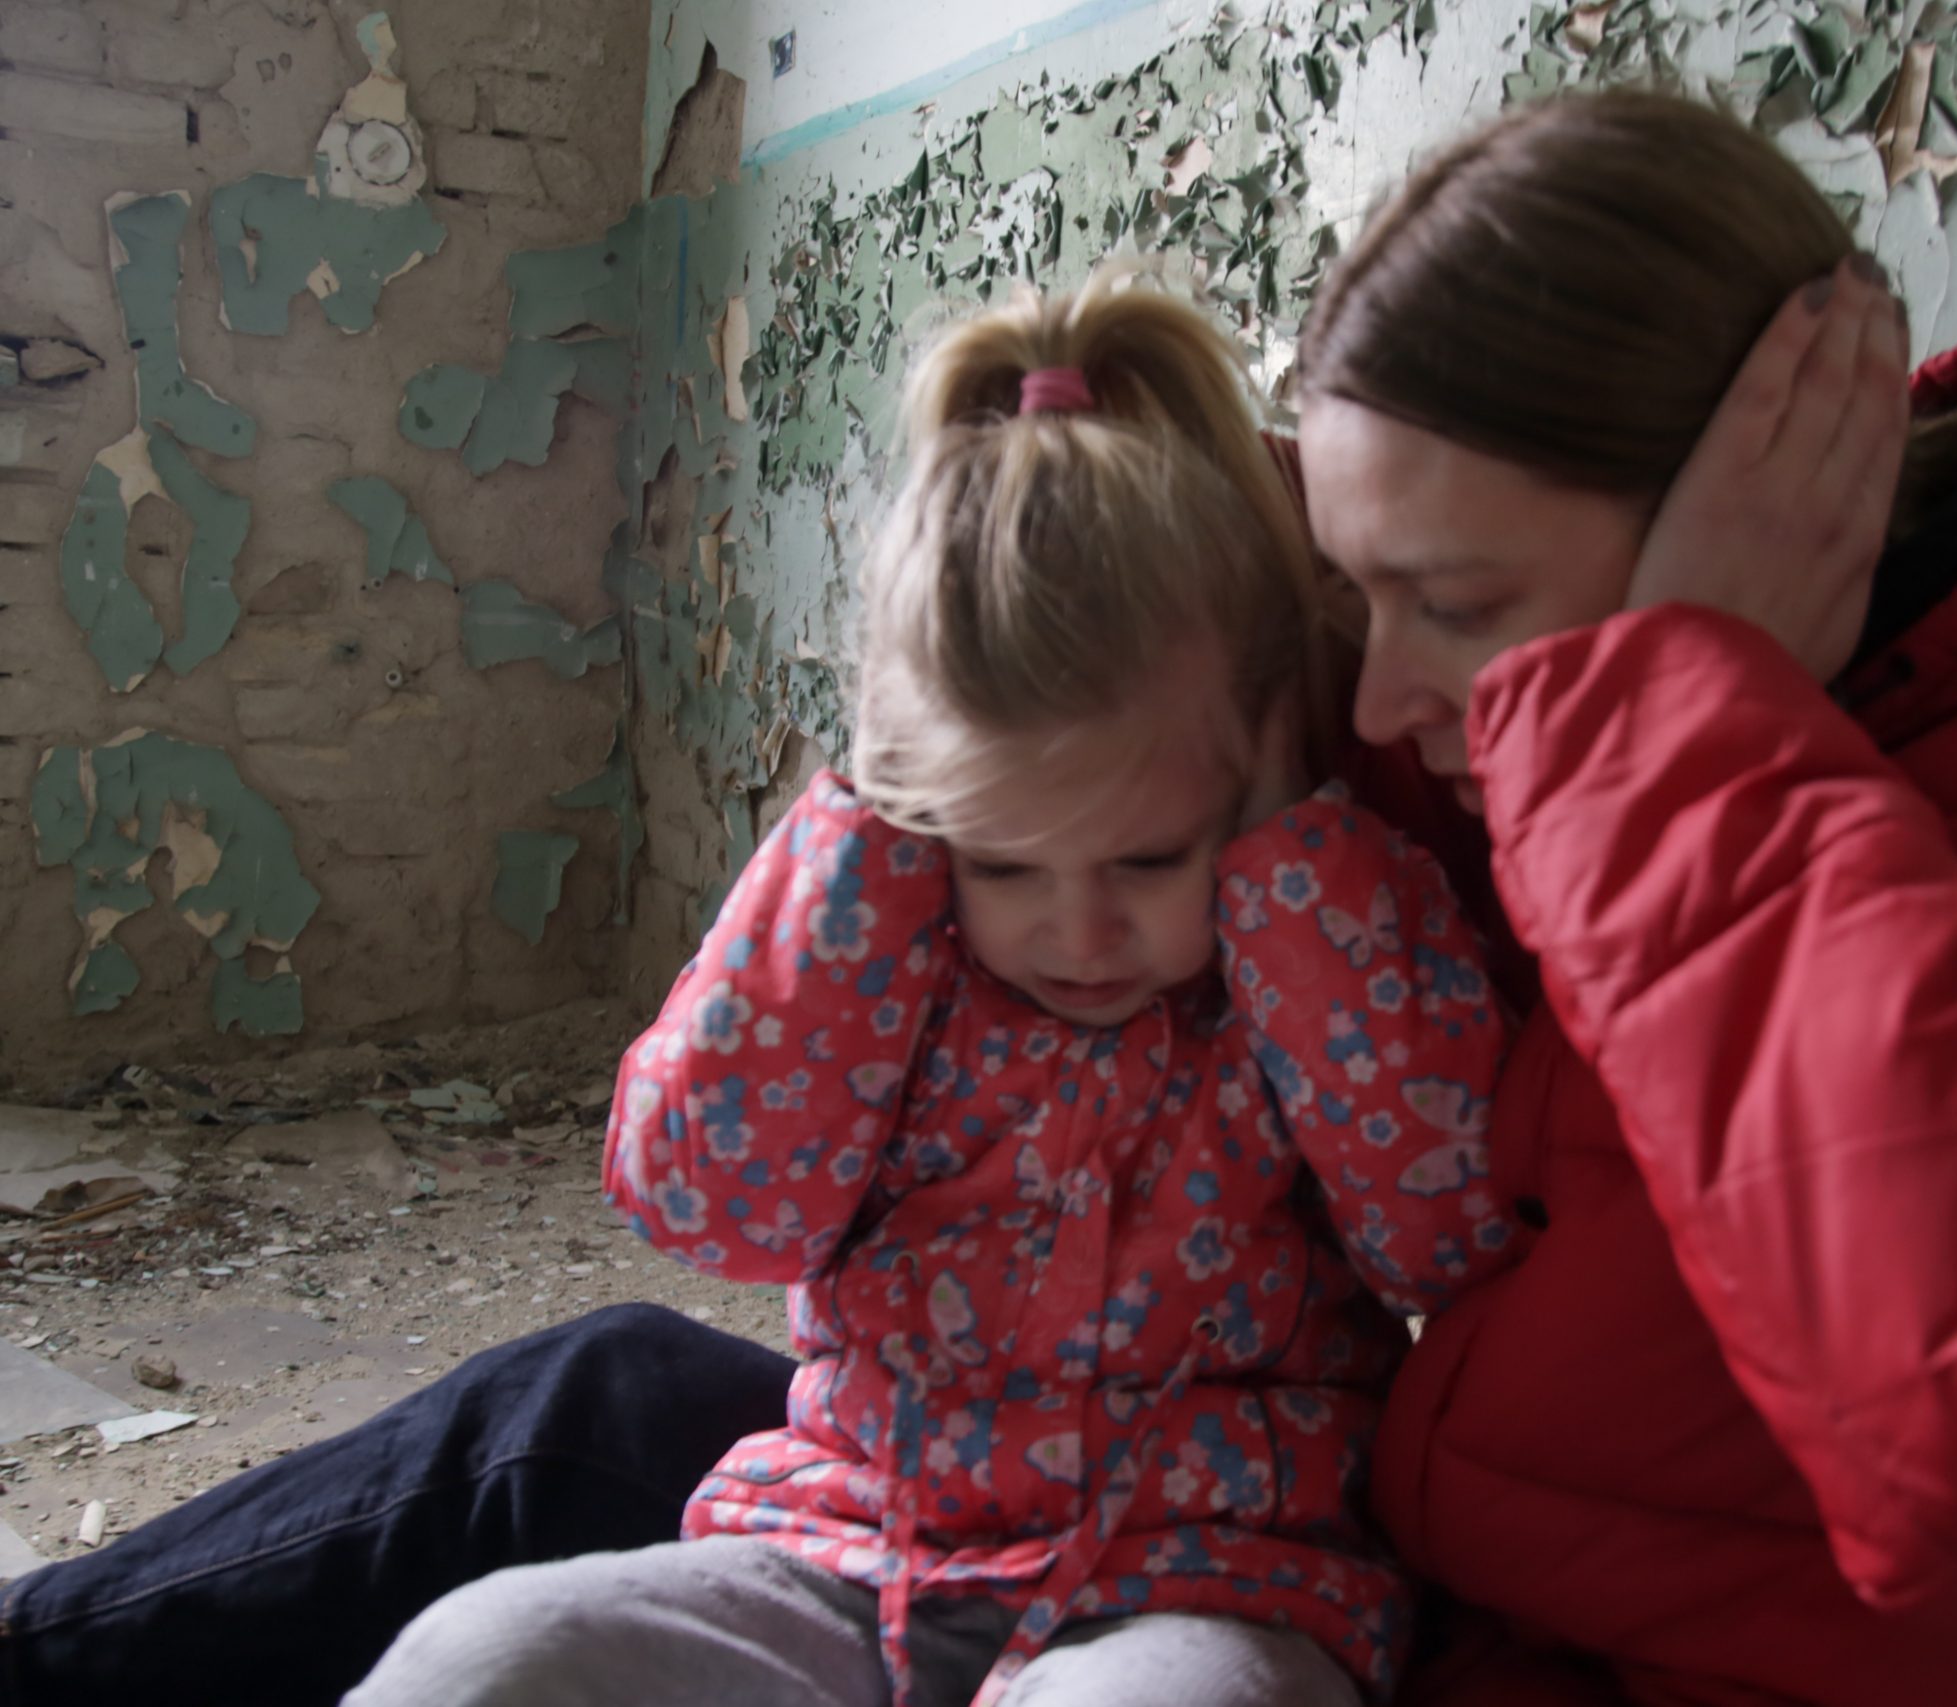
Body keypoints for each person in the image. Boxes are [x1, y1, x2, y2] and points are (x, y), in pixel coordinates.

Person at [9, 86, 1957, 1707]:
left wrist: (1672, 710)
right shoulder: (1459, 739)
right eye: (1366, 609)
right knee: (573, 1412)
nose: (1371, 717)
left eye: (1450, 608)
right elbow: (1084, 709)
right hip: (1101, 1501)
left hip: (1392, 1609)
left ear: (1761, 532)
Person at [343, 277, 1515, 1707]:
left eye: (1151, 856)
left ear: (1262, 772)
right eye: (1007, 863)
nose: (1082, 928)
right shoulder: (883, 940)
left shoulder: (1327, 919)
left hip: (1208, 1586)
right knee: (487, 1657)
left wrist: (1290, 872)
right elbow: (715, 1204)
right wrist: (863, 842)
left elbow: (1448, 1240)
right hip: (850, 1552)